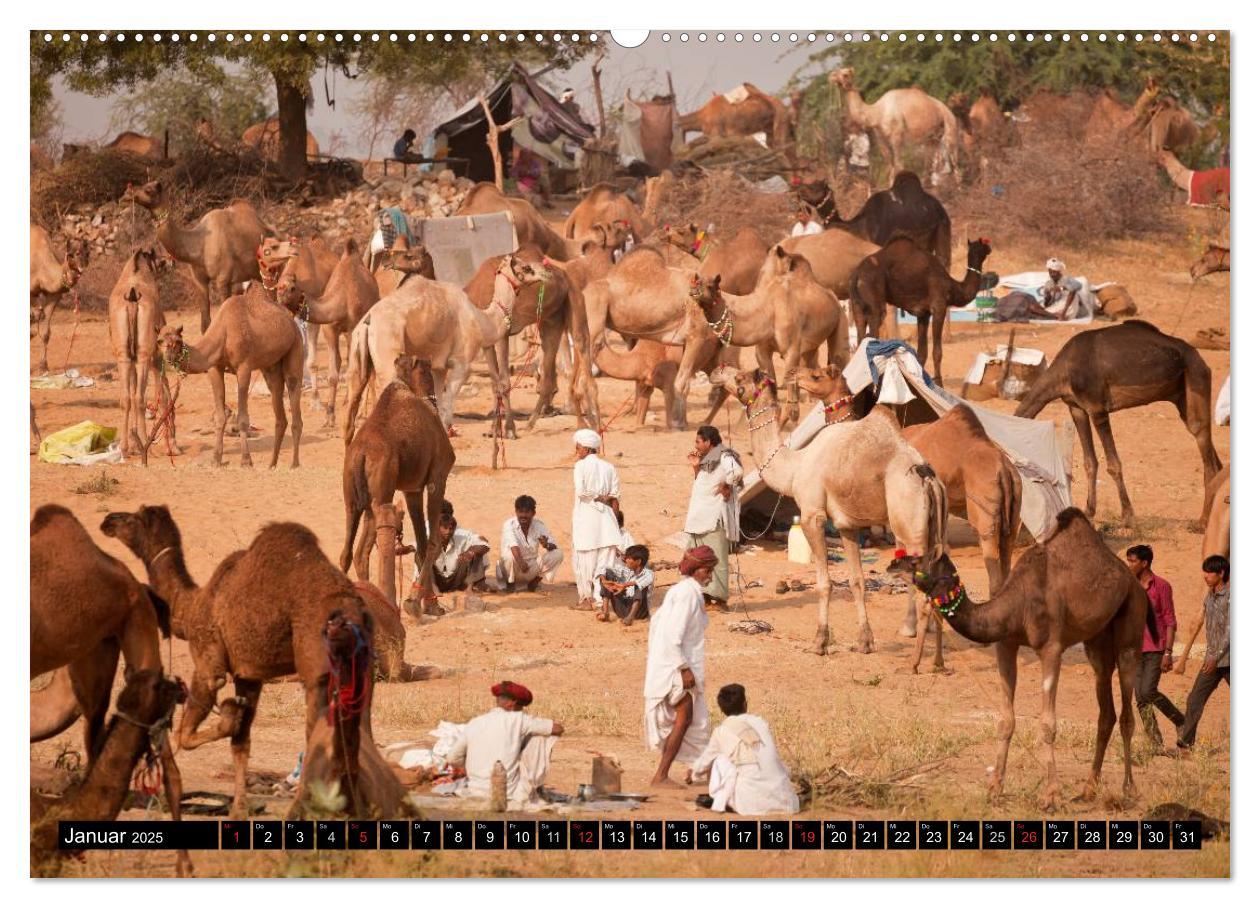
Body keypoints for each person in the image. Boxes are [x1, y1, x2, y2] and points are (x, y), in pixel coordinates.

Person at [644, 545, 715, 787]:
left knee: (695, 722)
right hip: (676, 667)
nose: (710, 576)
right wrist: (683, 668)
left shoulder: (684, 590)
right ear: (696, 570)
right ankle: (661, 775)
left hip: (673, 663)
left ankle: (696, 768)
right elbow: (672, 634)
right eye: (708, 570)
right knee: (684, 718)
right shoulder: (687, 594)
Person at [449, 681, 564, 805]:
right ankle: (533, 785)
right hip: (508, 793)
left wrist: (468, 766)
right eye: (521, 706)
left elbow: (452, 758)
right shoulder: (518, 719)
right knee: (539, 736)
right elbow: (557, 729)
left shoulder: (475, 722)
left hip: (475, 791)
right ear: (513, 702)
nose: (522, 710)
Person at [692, 684, 800, 815]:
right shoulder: (761, 723)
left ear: (721, 710)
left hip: (750, 806)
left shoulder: (720, 731)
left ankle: (719, 799)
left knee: (720, 760)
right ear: (745, 704)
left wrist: (693, 773)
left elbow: (702, 766)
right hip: (788, 803)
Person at [1125, 544, 1184, 746]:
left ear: (1145, 563)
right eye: (1128, 560)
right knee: (1140, 697)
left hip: (1156, 649)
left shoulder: (1162, 586)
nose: (1129, 564)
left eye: (1132, 561)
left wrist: (1168, 652)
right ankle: (1155, 741)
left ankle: (1181, 721)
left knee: (1148, 691)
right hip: (1134, 650)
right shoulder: (1129, 586)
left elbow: (1170, 620)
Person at [684, 426, 743, 612]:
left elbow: (737, 473)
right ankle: (705, 598)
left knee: (716, 559)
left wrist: (726, 485)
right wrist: (696, 466)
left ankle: (720, 600)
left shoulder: (725, 456)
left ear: (709, 442)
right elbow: (703, 486)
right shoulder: (707, 461)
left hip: (713, 518)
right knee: (699, 559)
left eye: (698, 442)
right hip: (699, 517)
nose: (696, 445)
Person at [1177, 555, 1230, 750]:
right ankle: (1185, 745)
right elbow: (1211, 630)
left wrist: (1216, 656)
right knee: (1195, 698)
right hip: (1212, 661)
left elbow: (1231, 631)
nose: (1205, 576)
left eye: (1209, 572)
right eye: (1204, 572)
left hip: (1229, 659)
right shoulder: (1209, 596)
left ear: (1221, 573)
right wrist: (1212, 656)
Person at [571, 429, 623, 611]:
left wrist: (597, 497)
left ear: (584, 448)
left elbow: (581, 492)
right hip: (608, 521)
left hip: (587, 518)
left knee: (584, 561)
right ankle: (600, 600)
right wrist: (616, 523)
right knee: (605, 563)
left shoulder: (580, 466)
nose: (577, 450)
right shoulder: (610, 467)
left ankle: (586, 599)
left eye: (578, 447)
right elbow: (615, 497)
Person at [497, 495, 564, 592]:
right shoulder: (509, 525)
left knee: (558, 554)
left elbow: (553, 545)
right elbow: (513, 546)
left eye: (527, 512)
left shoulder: (539, 525)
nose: (523, 515)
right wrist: (520, 562)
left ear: (533, 513)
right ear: (516, 512)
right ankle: (509, 584)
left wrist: (547, 545)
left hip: (530, 568)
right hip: (512, 568)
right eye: (520, 512)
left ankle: (534, 582)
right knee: (508, 556)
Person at [430, 512, 492, 593]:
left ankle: (469, 587)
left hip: (456, 579)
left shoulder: (461, 538)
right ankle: (434, 588)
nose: (448, 531)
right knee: (421, 556)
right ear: (438, 528)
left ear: (455, 529)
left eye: (451, 528)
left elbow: (484, 544)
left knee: (476, 553)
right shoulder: (429, 541)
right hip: (437, 581)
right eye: (445, 528)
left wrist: (469, 552)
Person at [598, 544, 655, 625]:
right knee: (608, 573)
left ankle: (630, 617)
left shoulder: (649, 573)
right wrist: (604, 580)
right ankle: (605, 612)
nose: (626, 560)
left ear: (638, 561)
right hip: (623, 609)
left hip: (639, 612)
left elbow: (640, 582)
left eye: (629, 558)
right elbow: (604, 569)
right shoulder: (627, 571)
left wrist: (624, 585)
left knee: (639, 586)